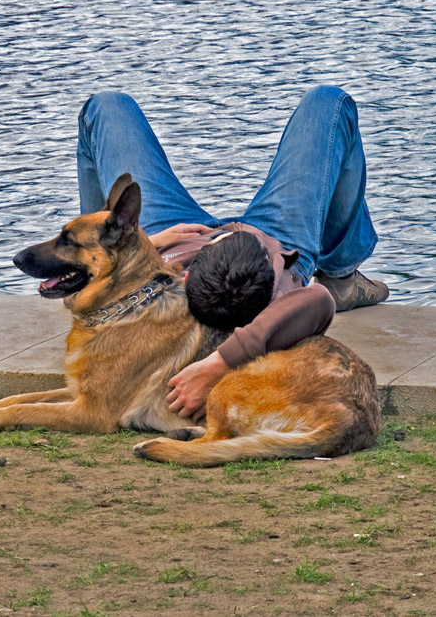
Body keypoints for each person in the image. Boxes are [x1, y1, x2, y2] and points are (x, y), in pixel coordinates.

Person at [76, 86, 389, 423]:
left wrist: (146, 241)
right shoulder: (276, 295)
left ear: (184, 276)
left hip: (171, 234)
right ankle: (341, 273)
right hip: (278, 235)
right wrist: (222, 362)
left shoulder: (159, 284)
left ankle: (85, 273)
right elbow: (317, 297)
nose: (223, 232)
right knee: (331, 102)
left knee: (105, 106)